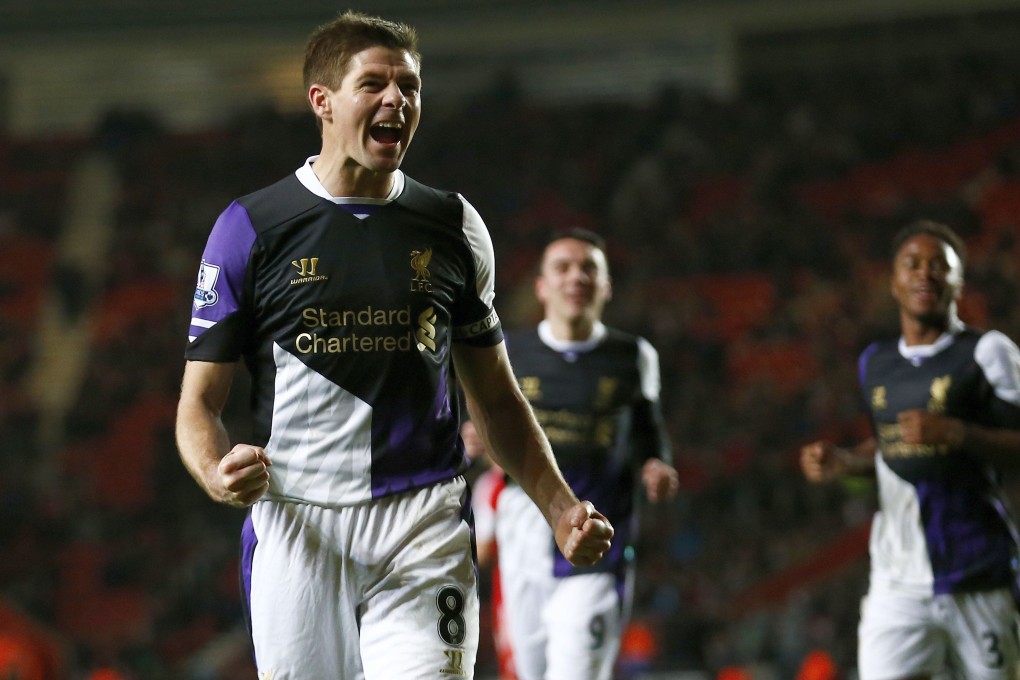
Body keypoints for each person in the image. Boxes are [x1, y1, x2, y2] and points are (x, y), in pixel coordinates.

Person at [174, 12, 613, 680]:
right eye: (373, 84)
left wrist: (560, 509)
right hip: (299, 522)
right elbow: (197, 406)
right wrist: (214, 470)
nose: (396, 101)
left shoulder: (454, 226)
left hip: (421, 519)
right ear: (322, 101)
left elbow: (495, 399)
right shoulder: (252, 228)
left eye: (408, 86)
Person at [800, 220, 1020, 680]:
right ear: (893, 281)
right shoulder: (875, 362)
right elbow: (889, 447)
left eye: (941, 266)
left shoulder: (988, 352)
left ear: (958, 282)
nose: (926, 274)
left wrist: (959, 434)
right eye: (913, 264)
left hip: (977, 572)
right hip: (896, 583)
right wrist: (842, 462)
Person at [495, 228, 679, 680]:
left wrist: (657, 464)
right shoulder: (509, 353)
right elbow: (484, 433)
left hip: (598, 536)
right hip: (524, 535)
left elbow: (648, 431)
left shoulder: (633, 355)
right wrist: (474, 441)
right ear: (541, 286)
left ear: (606, 285)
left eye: (589, 268)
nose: (576, 277)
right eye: (563, 267)